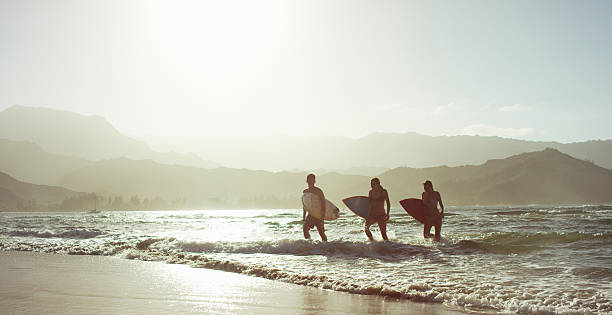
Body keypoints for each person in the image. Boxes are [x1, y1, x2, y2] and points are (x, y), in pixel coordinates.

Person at [302, 174, 327, 242]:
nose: (311, 182)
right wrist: (303, 216)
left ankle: (326, 246)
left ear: (314, 181)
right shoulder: (305, 192)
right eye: (309, 180)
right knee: (305, 230)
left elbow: (323, 202)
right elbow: (305, 205)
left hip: (318, 215)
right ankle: (309, 244)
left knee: (321, 232)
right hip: (310, 214)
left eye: (312, 180)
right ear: (306, 181)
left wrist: (323, 214)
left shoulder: (318, 191)